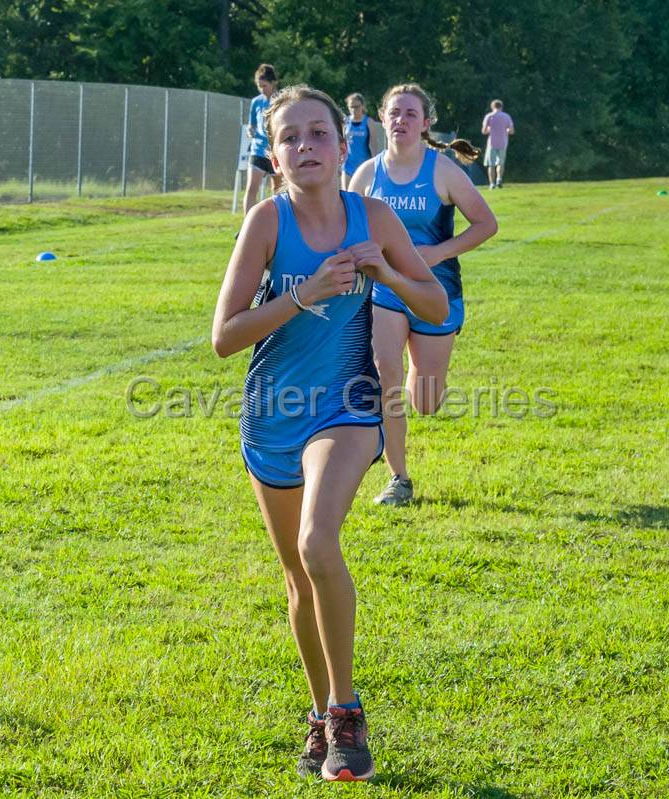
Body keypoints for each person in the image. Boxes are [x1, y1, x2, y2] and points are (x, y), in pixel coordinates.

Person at [212, 85, 447, 781]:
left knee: (319, 542)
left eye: (320, 134)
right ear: (274, 154)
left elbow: (432, 299)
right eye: (292, 138)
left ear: (345, 148)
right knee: (297, 578)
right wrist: (304, 294)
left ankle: (347, 713)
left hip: (345, 408)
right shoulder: (264, 222)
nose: (307, 147)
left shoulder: (369, 215)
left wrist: (384, 271)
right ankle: (320, 717)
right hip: (271, 414)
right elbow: (224, 337)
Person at [349, 83, 498, 506]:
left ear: (425, 123)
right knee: (384, 377)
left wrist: (438, 252)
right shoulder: (365, 175)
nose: (401, 120)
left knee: (426, 400)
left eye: (411, 114)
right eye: (394, 113)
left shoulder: (444, 171)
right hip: (384, 290)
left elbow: (486, 224)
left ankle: (423, 376)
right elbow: (345, 228)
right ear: (383, 119)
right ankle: (399, 478)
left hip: (436, 291)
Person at [244, 64, 282, 215]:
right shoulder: (256, 102)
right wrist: (250, 130)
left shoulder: (281, 100)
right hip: (258, 149)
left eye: (264, 85)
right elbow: (251, 124)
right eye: (259, 86)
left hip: (274, 151)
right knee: (251, 188)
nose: (261, 89)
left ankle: (277, 224)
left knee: (277, 190)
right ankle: (247, 226)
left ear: (273, 83)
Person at [341, 93, 379, 190]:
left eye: (357, 107)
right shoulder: (346, 122)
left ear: (362, 106)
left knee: (362, 197)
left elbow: (373, 144)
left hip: (363, 165)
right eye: (351, 107)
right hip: (348, 165)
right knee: (346, 195)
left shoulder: (368, 122)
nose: (354, 110)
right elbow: (341, 142)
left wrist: (377, 164)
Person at [481, 99, 514, 189]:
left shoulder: (489, 116)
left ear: (492, 107)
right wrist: (505, 130)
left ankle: (492, 183)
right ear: (501, 107)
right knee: (500, 163)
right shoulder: (506, 116)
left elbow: (484, 131)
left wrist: (489, 129)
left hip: (492, 143)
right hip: (503, 142)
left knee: (491, 164)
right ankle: (499, 179)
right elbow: (511, 131)